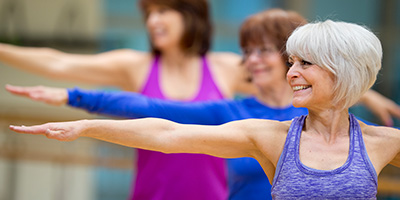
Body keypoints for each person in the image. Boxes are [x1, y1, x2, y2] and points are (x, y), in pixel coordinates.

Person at [6, 11, 400, 199]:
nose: (288, 71)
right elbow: (166, 129)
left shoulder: (383, 142)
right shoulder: (268, 134)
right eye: (290, 61)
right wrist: (83, 123)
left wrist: (369, 92)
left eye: (302, 63)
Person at [0, 0, 257, 199]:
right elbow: (59, 63)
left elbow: (281, 83)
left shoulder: (226, 67)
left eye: (163, 10)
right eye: (149, 14)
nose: (153, 21)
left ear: (191, 14)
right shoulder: (135, 66)